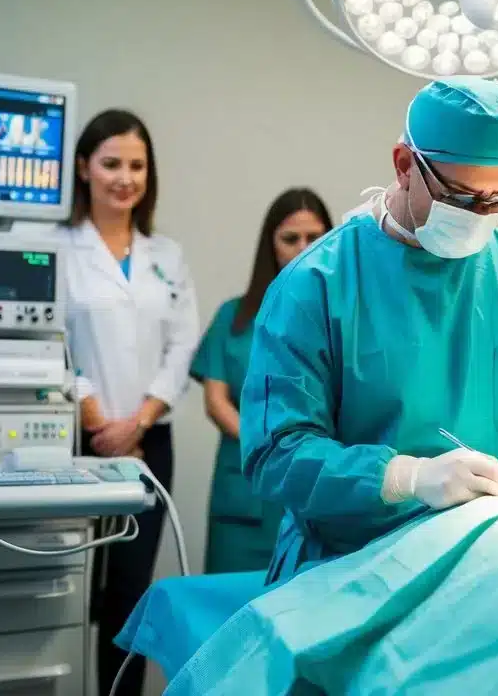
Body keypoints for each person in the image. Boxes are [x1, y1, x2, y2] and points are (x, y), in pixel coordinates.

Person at [242, 76, 498, 583]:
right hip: (350, 569)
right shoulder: (317, 285)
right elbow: (275, 453)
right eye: (461, 197)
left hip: (489, 564)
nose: (481, 216)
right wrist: (404, 478)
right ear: (404, 165)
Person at [55, 108, 200, 696]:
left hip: (147, 442)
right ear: (84, 168)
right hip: (72, 440)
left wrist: (138, 421)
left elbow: (183, 343)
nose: (125, 177)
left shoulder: (166, 255)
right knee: (70, 583)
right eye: (111, 163)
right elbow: (49, 339)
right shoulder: (55, 248)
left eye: (137, 166)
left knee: (129, 592)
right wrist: (93, 416)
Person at [190, 188, 332, 574]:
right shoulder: (233, 317)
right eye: (290, 238)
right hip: (244, 493)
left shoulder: (339, 322)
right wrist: (267, 442)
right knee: (227, 610)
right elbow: (216, 401)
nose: (303, 247)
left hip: (310, 491)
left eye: (314, 237)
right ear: (270, 245)